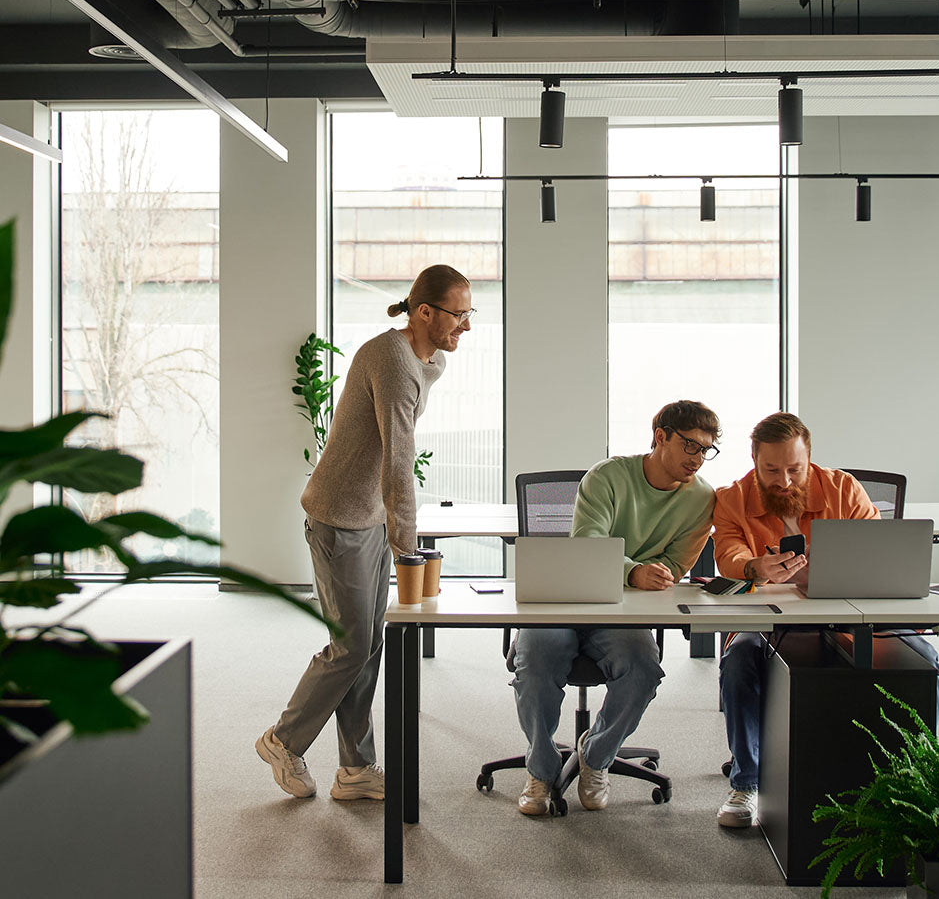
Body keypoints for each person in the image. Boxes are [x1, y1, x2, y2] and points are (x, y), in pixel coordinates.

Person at [256, 265, 473, 801]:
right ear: (424, 312)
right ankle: (283, 741)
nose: (466, 326)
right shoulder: (393, 362)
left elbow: (395, 448)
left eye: (470, 314)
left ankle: (355, 768)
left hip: (369, 514)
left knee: (369, 645)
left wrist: (392, 531)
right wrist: (409, 548)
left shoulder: (425, 359)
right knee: (350, 646)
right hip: (339, 516)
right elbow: (399, 464)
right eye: (458, 314)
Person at [710, 411, 939, 830]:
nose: (783, 481)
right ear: (754, 462)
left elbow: (879, 549)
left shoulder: (842, 488)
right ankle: (745, 783)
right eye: (771, 470)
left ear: (810, 460)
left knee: (921, 656)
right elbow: (728, 557)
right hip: (769, 618)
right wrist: (756, 567)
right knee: (740, 659)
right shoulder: (731, 498)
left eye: (794, 469)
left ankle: (922, 780)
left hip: (847, 613)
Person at [512, 400, 718, 816]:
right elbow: (589, 543)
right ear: (661, 437)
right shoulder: (608, 476)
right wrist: (635, 571)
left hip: (626, 612)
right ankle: (542, 768)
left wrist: (653, 576)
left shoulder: (701, 500)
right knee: (534, 658)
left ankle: (597, 755)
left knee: (643, 669)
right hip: (569, 599)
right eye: (691, 446)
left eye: (706, 450)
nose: (698, 458)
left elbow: (677, 566)